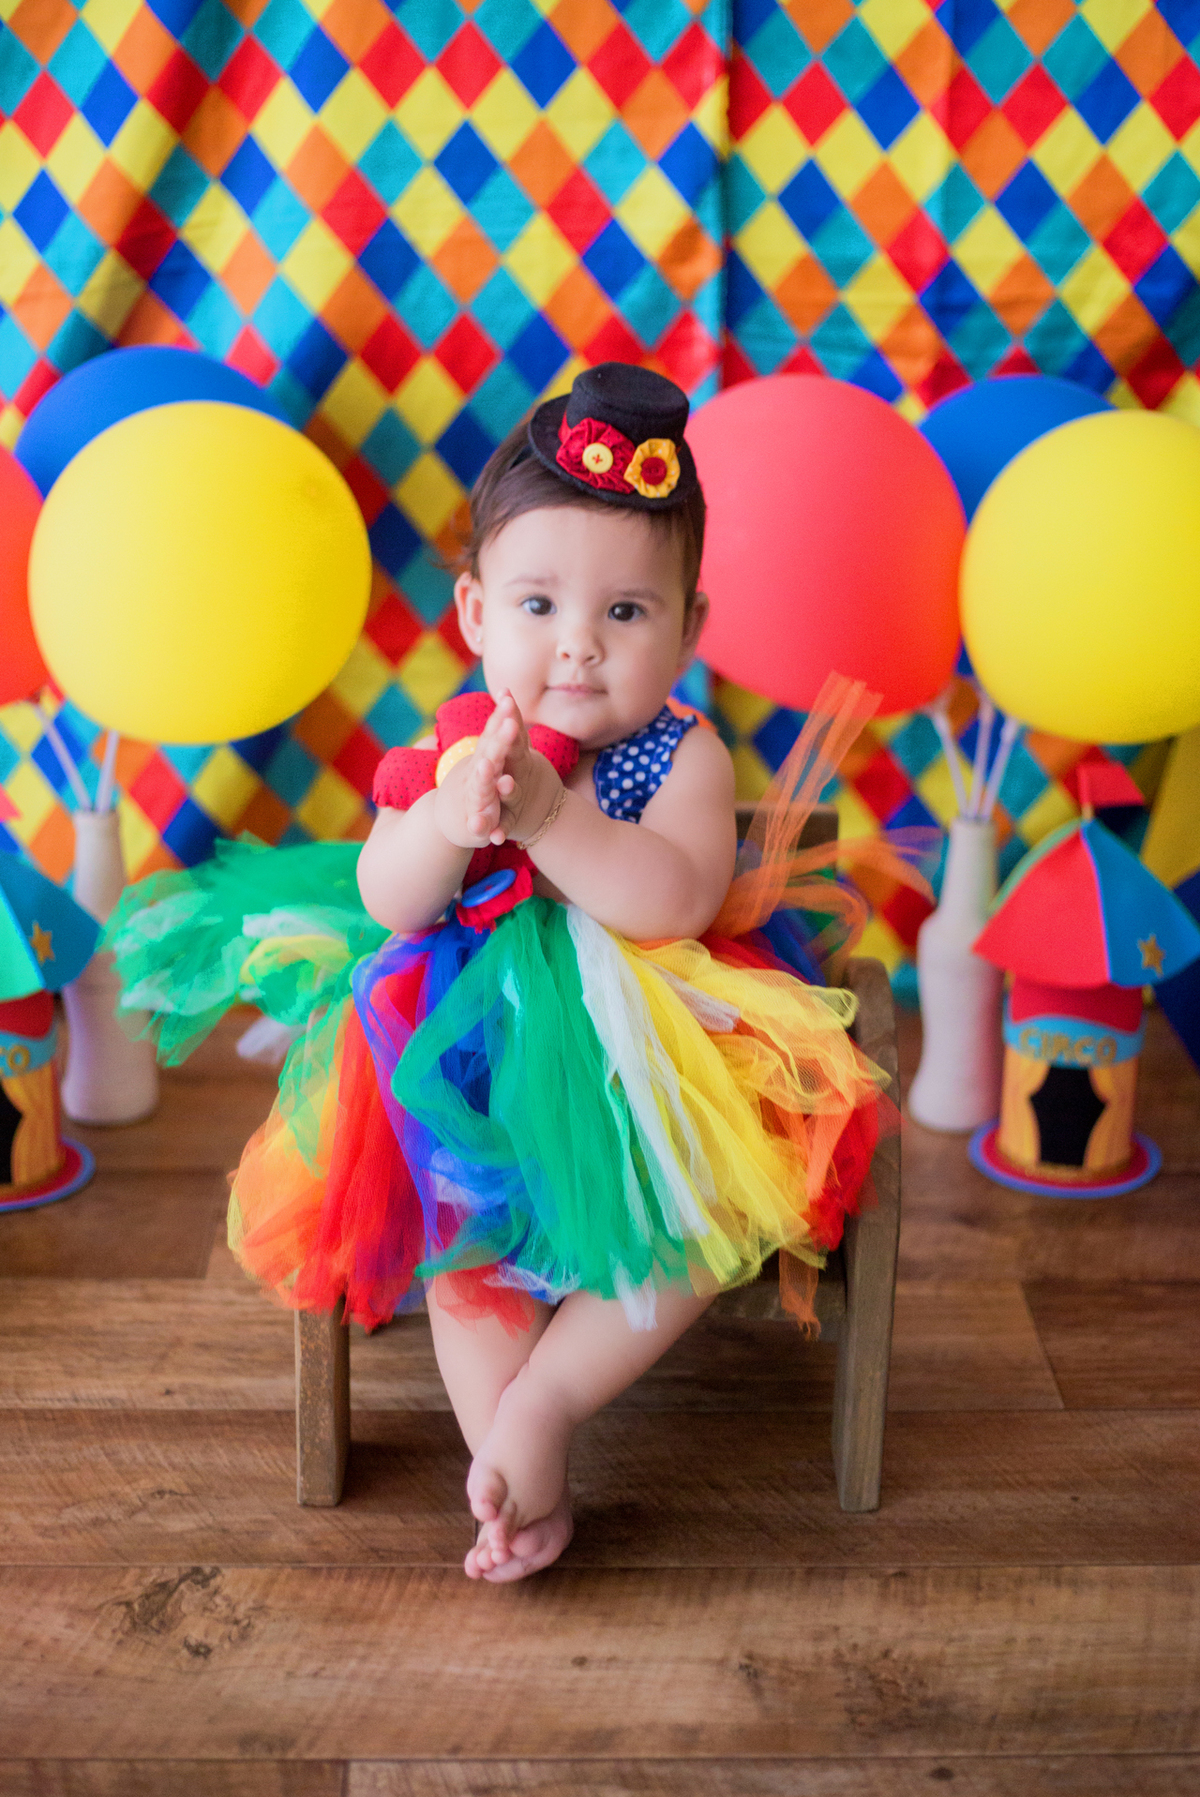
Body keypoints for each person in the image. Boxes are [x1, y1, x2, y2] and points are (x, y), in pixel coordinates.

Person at [107, 363, 914, 1584]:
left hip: (661, 1048)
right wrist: (447, 819)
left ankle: (549, 1403)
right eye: (540, 605)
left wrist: (547, 821)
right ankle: (507, 1475)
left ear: (691, 630)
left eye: (628, 615)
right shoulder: (449, 743)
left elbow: (678, 898)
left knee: (718, 1211)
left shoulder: (680, 755)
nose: (578, 646)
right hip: (465, 1052)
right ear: (478, 614)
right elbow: (389, 898)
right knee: (455, 1238)